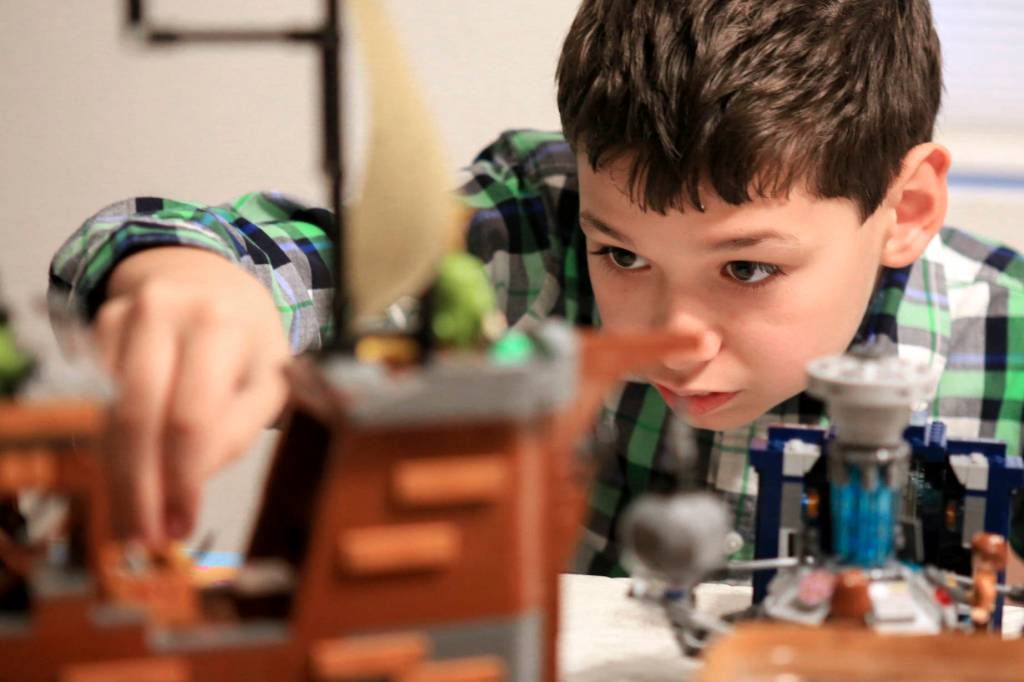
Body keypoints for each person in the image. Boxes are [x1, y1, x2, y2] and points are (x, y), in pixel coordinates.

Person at [49, 0, 1024, 574]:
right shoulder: (536, 228)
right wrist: (197, 283)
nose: (675, 337)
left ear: (903, 209)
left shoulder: (1006, 339)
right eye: (624, 255)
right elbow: (276, 258)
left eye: (746, 268)